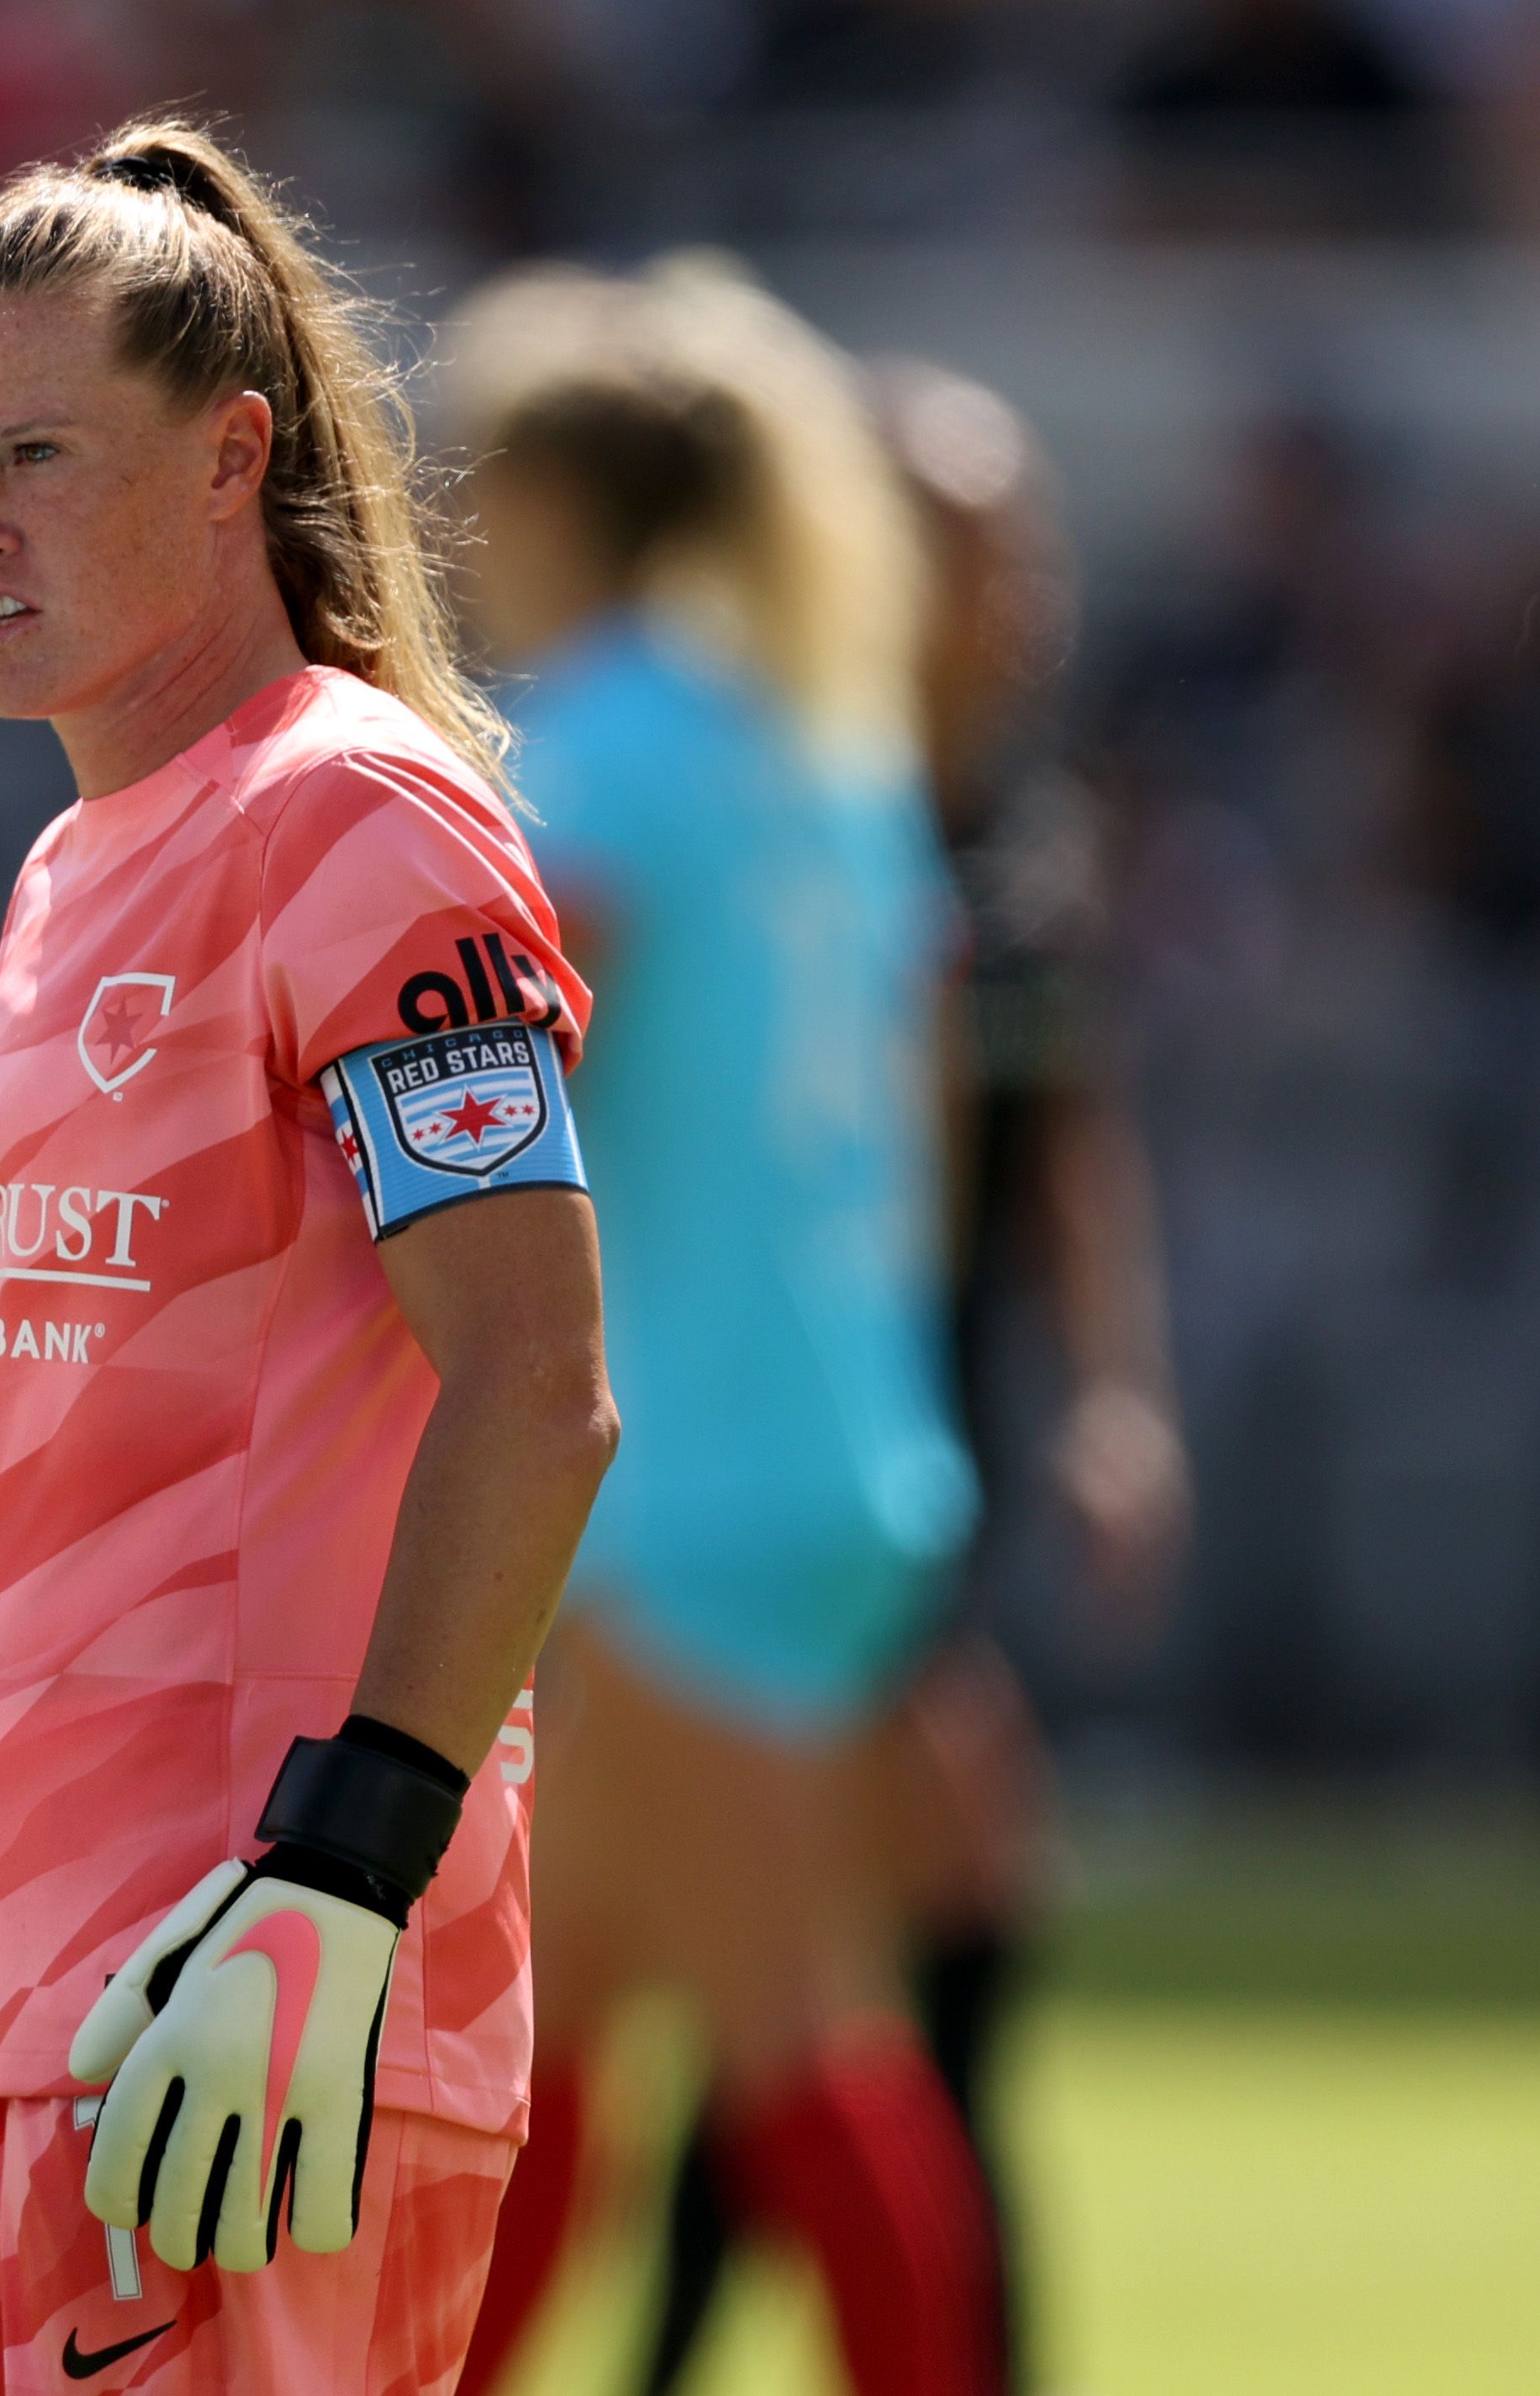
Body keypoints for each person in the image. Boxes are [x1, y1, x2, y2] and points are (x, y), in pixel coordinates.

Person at [0, 120, 619, 2396]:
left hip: (246, 1991)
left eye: (37, 457)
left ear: (229, 458)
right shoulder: (65, 870)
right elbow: (48, 1426)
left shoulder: (359, 814)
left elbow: (534, 1382)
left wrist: (341, 1880)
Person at [443, 261, 994, 2396]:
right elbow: (921, 1089)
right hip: (837, 1445)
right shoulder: (832, 751)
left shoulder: (592, 747)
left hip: (679, 1477)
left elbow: (503, 1028)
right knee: (545, 2009)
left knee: (796, 2034)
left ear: (557, 496)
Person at [620, 361, 1191, 2396]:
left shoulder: (997, 830)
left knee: (795, 1979)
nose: (1022, 588)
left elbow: (1059, 1140)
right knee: (837, 1975)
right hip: (743, 1495)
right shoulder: (778, 801)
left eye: (1026, 540)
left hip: (863, 1483)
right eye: (979, 542)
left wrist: (1116, 1393)